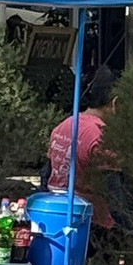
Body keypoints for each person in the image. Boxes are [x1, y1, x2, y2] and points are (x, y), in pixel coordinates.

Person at [43, 66, 120, 230]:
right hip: (92, 224)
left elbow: (47, 175)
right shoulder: (101, 136)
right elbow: (114, 194)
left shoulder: (63, 126)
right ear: (115, 103)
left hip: (57, 216)